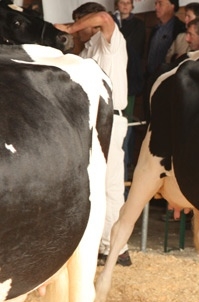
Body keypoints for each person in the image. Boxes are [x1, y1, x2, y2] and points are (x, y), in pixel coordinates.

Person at [55, 2, 132, 266]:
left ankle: (116, 249)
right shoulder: (87, 48)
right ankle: (104, 245)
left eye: (81, 23)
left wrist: (69, 28)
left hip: (111, 118)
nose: (78, 30)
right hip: (90, 121)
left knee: (109, 186)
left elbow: (103, 16)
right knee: (96, 185)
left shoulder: (110, 39)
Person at [112, 0, 145, 182]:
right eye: (122, 2)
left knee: (126, 125)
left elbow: (131, 48)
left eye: (128, 2)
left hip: (129, 80)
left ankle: (128, 162)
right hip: (113, 80)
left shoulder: (138, 25)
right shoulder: (110, 20)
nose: (125, 5)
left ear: (133, 5)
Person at [146, 0, 185, 80]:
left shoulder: (180, 29)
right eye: (156, 4)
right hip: (151, 78)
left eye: (160, 4)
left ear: (172, 6)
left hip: (168, 80)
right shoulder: (155, 29)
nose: (156, 7)